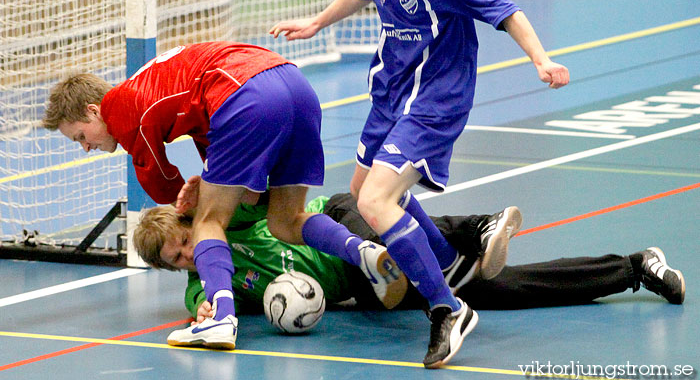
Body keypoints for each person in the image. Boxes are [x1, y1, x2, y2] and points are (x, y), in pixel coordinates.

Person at [270, 0, 570, 367]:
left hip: (434, 97)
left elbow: (503, 8)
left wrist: (541, 59)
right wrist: (318, 21)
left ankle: (448, 308)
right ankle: (451, 263)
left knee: (376, 200)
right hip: (391, 92)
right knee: (364, 190)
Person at [41, 41, 410, 350]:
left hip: (244, 93)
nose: (86, 147)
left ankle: (220, 318)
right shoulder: (157, 87)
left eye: (80, 137)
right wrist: (219, 187)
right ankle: (362, 251)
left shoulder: (120, 107)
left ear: (93, 111)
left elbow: (157, 179)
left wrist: (185, 202)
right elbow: (217, 153)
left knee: (207, 222)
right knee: (285, 220)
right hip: (292, 83)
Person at [134, 192, 685, 331]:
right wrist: (206, 315)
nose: (186, 254)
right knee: (498, 291)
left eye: (182, 240)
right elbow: (213, 313)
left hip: (343, 219)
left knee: (379, 225)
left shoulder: (227, 221)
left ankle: (475, 230)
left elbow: (253, 191)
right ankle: (636, 266)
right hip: (359, 286)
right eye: (174, 258)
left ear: (191, 224)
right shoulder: (201, 290)